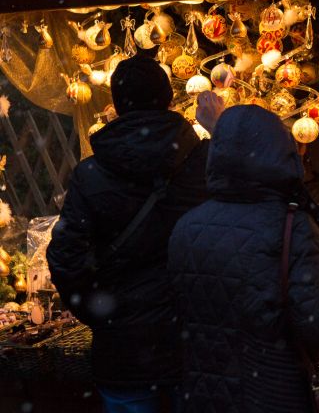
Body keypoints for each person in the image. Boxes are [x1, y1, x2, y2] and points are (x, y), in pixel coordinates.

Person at [47, 54, 216, 412]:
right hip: (197, 340)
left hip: (124, 349)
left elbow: (65, 259)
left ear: (117, 105)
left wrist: (104, 314)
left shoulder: (90, 174)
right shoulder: (205, 163)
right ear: (169, 99)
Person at [168, 104, 319, 413]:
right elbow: (313, 326)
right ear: (279, 152)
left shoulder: (186, 226)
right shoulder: (292, 225)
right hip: (273, 390)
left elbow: (176, 312)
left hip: (202, 393)